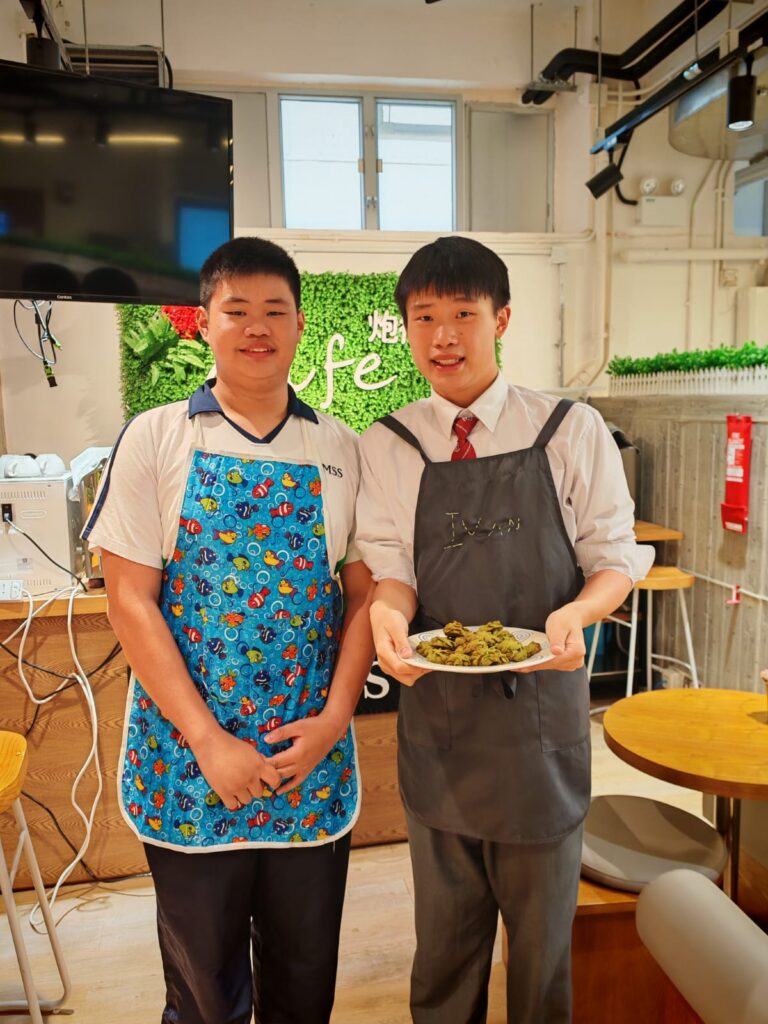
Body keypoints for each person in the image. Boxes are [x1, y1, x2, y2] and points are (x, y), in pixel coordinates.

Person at [355, 235, 654, 1024]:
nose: (443, 336)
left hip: (539, 730)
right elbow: (392, 569)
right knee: (444, 948)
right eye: (425, 317)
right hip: (440, 725)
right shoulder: (388, 443)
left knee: (541, 953)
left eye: (463, 314)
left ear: (502, 319)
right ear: (406, 328)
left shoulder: (569, 428)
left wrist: (579, 613)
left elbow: (615, 558)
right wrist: (387, 615)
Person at [83, 236, 373, 1024]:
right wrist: (209, 740)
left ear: (300, 324)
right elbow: (129, 601)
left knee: (304, 984)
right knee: (205, 994)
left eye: (275, 310)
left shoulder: (338, 447)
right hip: (189, 764)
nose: (257, 327)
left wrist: (336, 719)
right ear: (204, 322)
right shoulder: (156, 437)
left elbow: (363, 596)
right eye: (236, 310)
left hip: (306, 764)